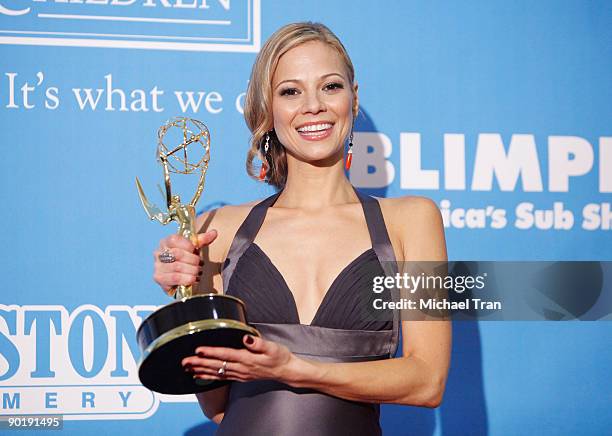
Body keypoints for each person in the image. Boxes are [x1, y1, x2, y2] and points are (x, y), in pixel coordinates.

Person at [153, 22, 451, 435]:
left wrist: (297, 369)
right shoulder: (218, 229)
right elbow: (218, 406)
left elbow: (428, 382)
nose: (314, 105)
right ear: (267, 111)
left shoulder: (412, 220)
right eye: (290, 91)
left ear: (354, 97)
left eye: (330, 86)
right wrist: (187, 295)